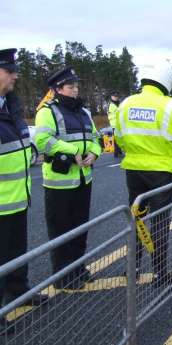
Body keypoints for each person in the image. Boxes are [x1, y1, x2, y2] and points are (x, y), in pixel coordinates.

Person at [115, 60, 172, 286]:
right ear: (165, 81)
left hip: (133, 170)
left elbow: (119, 136)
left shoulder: (126, 103)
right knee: (160, 221)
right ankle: (161, 273)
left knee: (136, 218)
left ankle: (134, 268)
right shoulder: (171, 105)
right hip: (162, 172)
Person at [35, 67, 102, 290]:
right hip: (59, 182)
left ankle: (78, 269)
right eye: (70, 86)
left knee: (80, 228)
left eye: (76, 86)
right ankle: (63, 276)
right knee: (61, 230)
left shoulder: (83, 112)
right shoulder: (48, 111)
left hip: (84, 179)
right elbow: (43, 140)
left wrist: (95, 152)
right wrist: (72, 151)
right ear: (57, 89)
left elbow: (95, 138)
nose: (75, 90)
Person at [0, 48, 47, 335]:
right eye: (10, 70)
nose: (16, 75)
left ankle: (19, 290)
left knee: (15, 252)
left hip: (16, 197)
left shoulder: (9, 106)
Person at [107, 91, 122, 158]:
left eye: (117, 96)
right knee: (116, 139)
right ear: (111, 96)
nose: (116, 97)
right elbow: (118, 113)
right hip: (115, 124)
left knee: (119, 138)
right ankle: (116, 153)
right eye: (114, 96)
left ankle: (119, 151)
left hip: (119, 124)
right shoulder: (111, 105)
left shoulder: (118, 103)